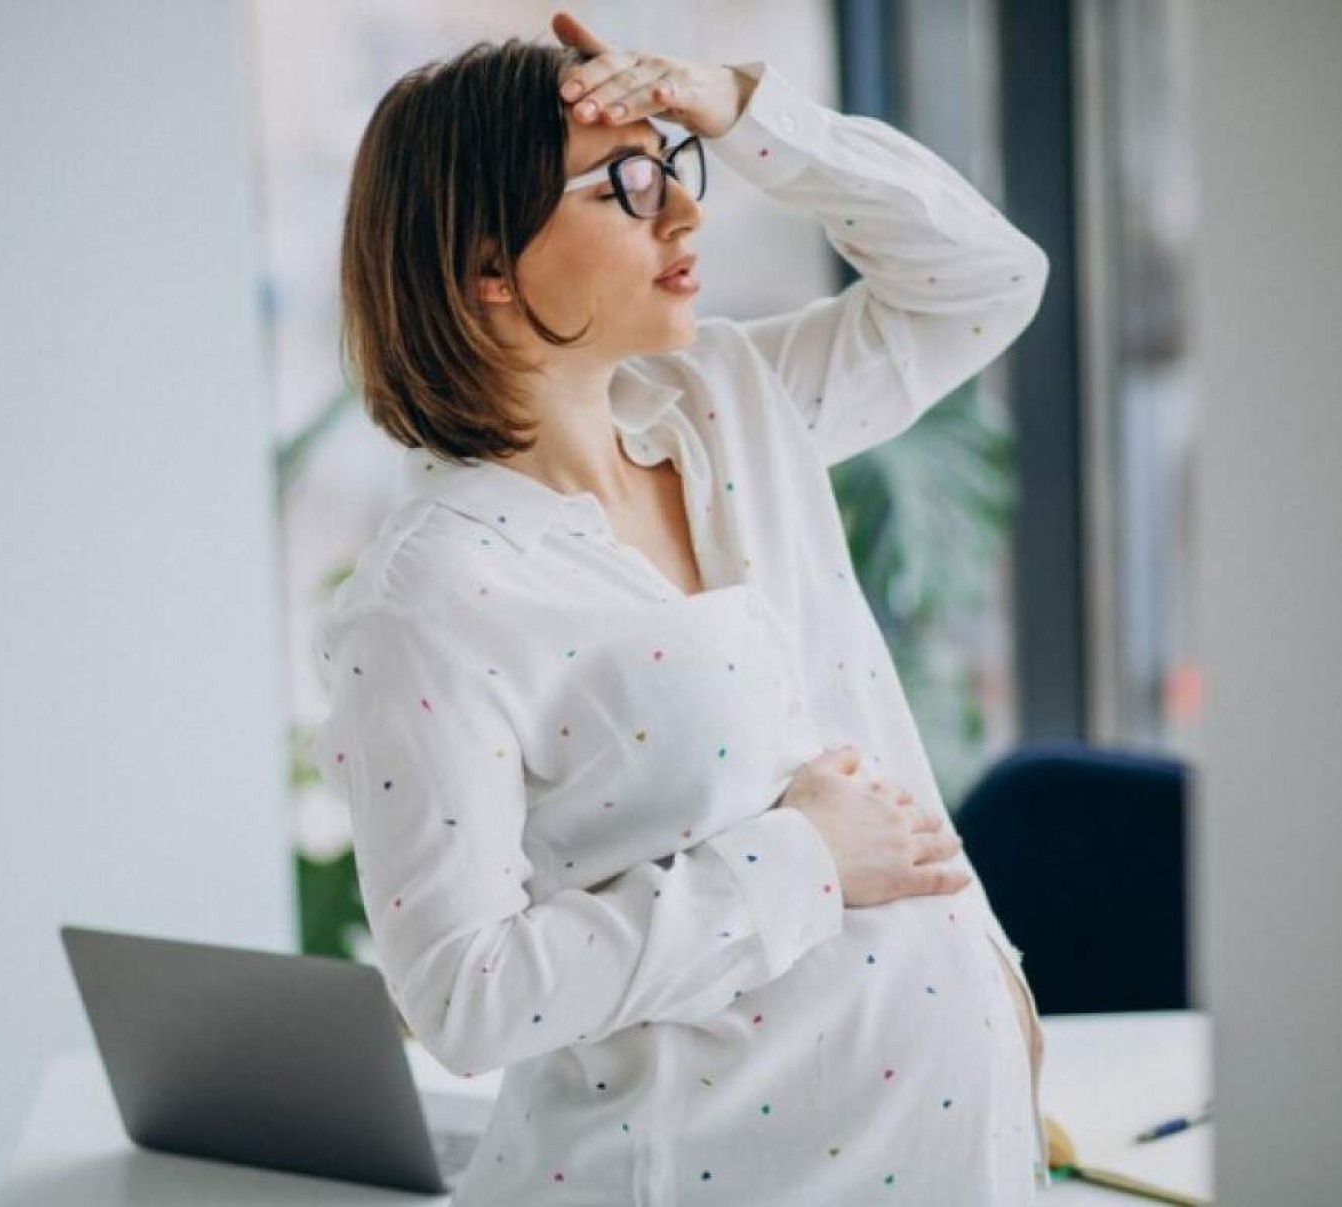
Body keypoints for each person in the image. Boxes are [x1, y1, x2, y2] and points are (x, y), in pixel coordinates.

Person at [316, 10, 1051, 1203]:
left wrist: (744, 111)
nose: (688, 213)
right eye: (626, 186)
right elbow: (464, 993)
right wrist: (801, 856)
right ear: (486, 266)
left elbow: (986, 279)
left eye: (676, 167)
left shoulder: (729, 405)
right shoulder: (430, 597)